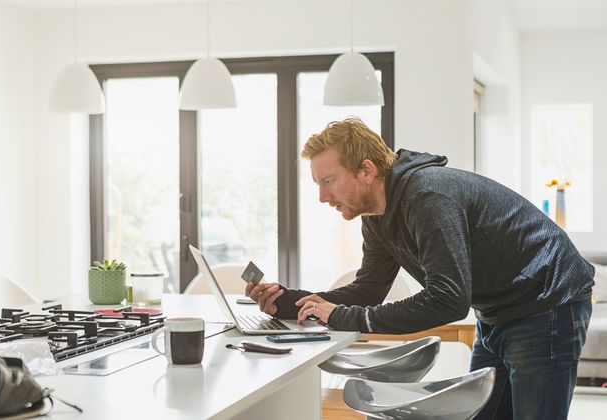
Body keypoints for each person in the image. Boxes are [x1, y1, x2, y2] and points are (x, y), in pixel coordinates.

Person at [245, 117, 595, 419]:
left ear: (366, 170)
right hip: (499, 312)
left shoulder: (427, 197)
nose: (322, 197)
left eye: (329, 181)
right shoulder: (377, 216)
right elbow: (368, 290)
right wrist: (290, 303)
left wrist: (345, 316)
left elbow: (449, 300)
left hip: (548, 303)